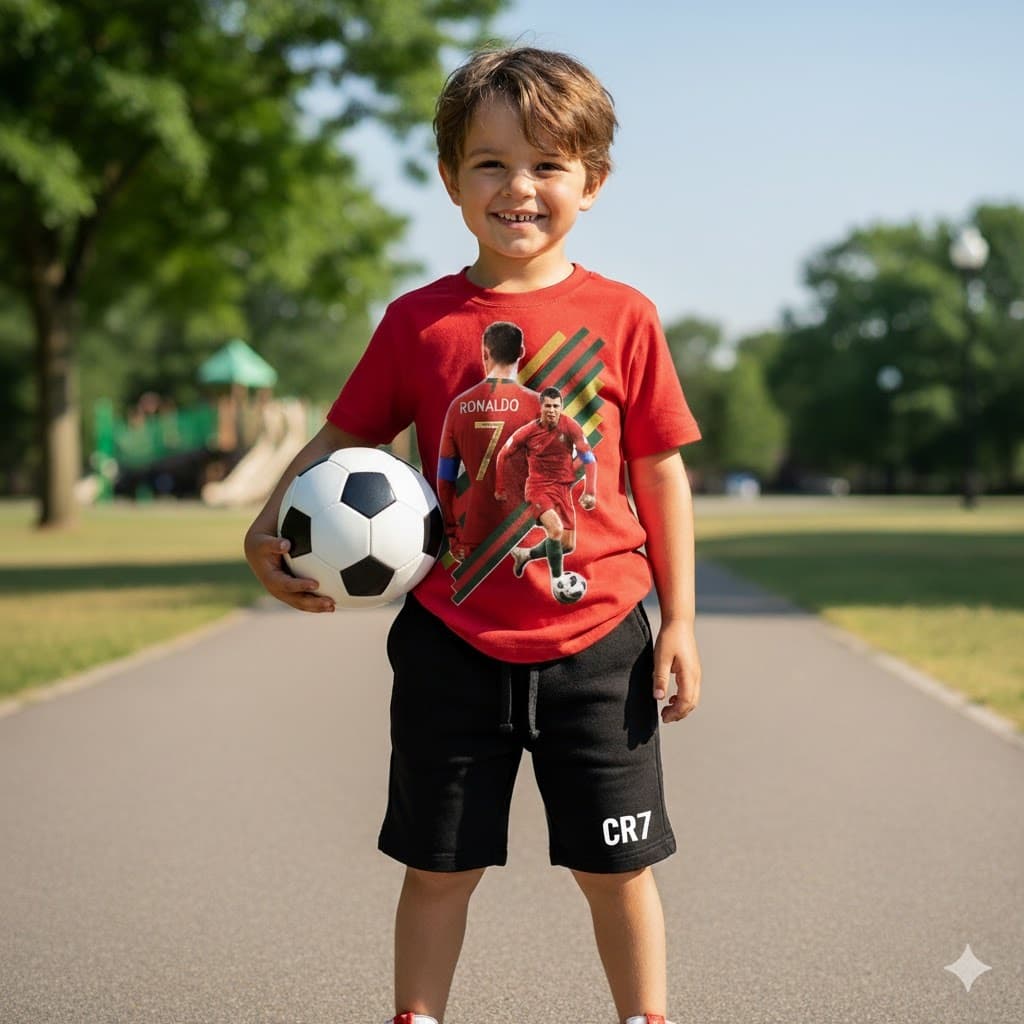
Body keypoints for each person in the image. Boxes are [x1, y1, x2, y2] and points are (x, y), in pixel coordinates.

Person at [244, 45, 702, 1024]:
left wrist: (681, 624)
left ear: (593, 182)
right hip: (451, 644)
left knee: (613, 869)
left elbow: (660, 470)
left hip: (601, 648)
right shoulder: (419, 323)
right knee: (438, 866)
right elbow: (342, 436)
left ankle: (645, 1017)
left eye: (546, 163)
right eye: (489, 162)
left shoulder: (624, 319)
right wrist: (265, 518)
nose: (518, 187)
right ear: (450, 179)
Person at [437, 320, 538, 563]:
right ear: (521, 352)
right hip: (527, 534)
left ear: (485, 352)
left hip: (475, 534)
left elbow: (445, 480)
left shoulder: (458, 407)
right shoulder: (538, 405)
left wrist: (452, 534)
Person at [494, 386, 597, 591]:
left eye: (556, 406)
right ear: (541, 407)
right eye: (548, 406)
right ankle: (558, 582)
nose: (551, 410)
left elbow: (589, 458)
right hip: (538, 489)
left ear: (562, 407)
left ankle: (526, 554)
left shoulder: (571, 427)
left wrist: (590, 491)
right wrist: (500, 487)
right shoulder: (529, 431)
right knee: (556, 530)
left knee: (567, 545)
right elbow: (502, 454)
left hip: (562, 490)